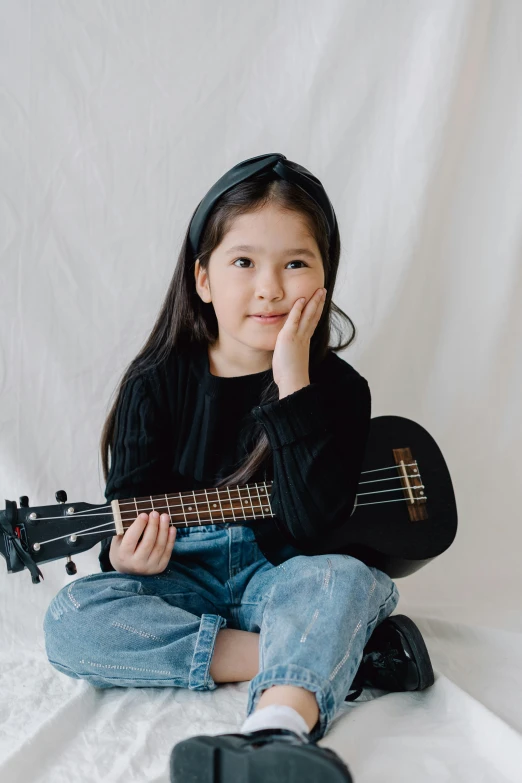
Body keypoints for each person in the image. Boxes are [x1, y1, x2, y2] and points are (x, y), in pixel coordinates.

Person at [43, 154, 434, 783]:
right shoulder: (156, 382)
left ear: (325, 278)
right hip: (184, 576)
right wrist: (125, 559)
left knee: (339, 578)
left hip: (283, 573)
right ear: (203, 278)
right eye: (244, 262)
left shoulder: (336, 389)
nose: (271, 287)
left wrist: (292, 386)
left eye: (296, 264)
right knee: (70, 622)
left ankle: (274, 730)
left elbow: (313, 528)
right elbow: (129, 511)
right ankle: (337, 657)